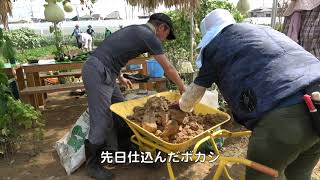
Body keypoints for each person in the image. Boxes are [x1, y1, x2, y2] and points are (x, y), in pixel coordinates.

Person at [178, 9, 320, 180]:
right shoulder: (264, 31)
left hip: (285, 115)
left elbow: (193, 94)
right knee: (300, 174)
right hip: (316, 102)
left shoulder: (216, 46)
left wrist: (181, 106)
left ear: (208, 34)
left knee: (261, 176)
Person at [82, 13, 186, 179]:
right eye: (166, 36)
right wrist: (183, 88)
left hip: (107, 71)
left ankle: (127, 152)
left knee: (122, 112)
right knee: (101, 118)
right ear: (161, 28)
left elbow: (112, 52)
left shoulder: (137, 30)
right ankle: (93, 164)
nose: (163, 41)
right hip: (97, 72)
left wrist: (120, 77)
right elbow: (168, 68)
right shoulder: (149, 36)